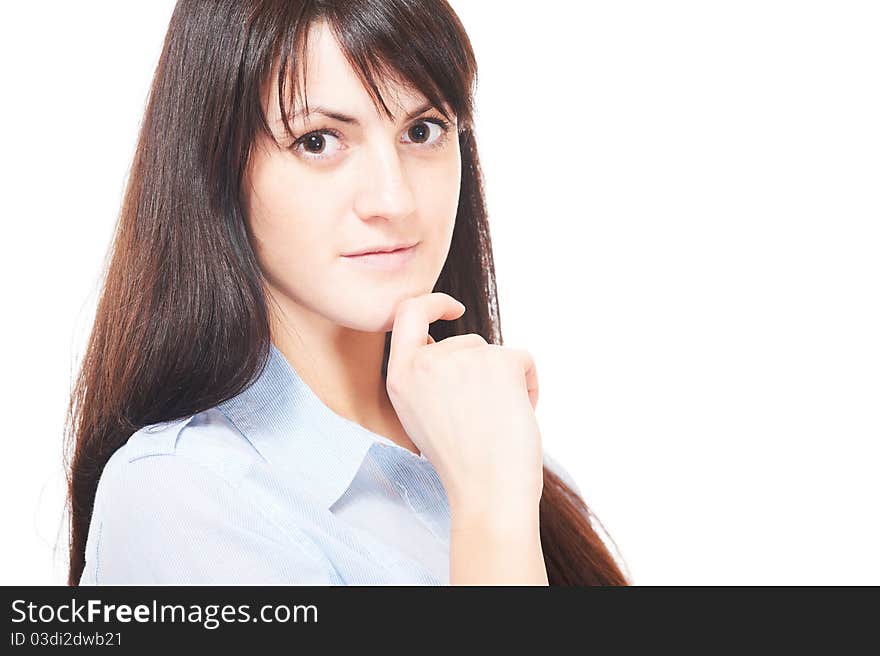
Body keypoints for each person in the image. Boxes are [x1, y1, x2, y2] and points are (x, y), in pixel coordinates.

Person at [65, 0, 630, 586]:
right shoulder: (181, 497)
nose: (394, 201)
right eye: (318, 141)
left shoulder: (495, 449)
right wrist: (491, 516)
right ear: (217, 167)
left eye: (422, 130)